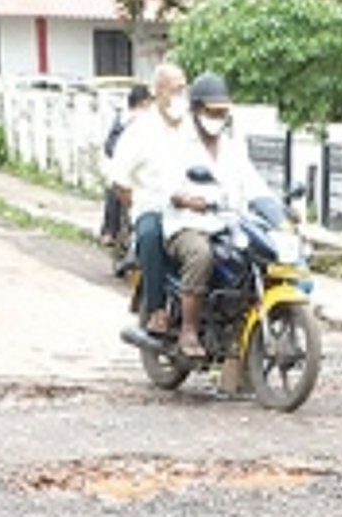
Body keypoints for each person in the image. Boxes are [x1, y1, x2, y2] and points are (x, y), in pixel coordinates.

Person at [162, 71, 278, 360]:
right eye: (211, 111)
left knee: (256, 260)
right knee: (202, 255)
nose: (217, 117)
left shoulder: (232, 144)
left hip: (227, 223)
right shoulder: (178, 141)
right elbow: (165, 183)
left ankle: (240, 335)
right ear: (197, 109)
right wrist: (186, 199)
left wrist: (278, 209)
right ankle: (188, 330)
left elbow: (252, 181)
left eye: (222, 112)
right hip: (186, 224)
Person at [108, 62, 192, 336]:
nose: (181, 95)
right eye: (175, 89)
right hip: (154, 207)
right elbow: (120, 180)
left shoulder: (193, 127)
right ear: (158, 92)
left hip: (193, 209)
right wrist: (138, 206)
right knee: (151, 235)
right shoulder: (140, 131)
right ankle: (157, 310)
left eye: (184, 89)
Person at [99, 83, 150, 248]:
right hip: (127, 168)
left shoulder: (155, 121)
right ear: (142, 103)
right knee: (116, 188)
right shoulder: (123, 120)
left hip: (146, 170)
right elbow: (110, 146)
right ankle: (109, 231)